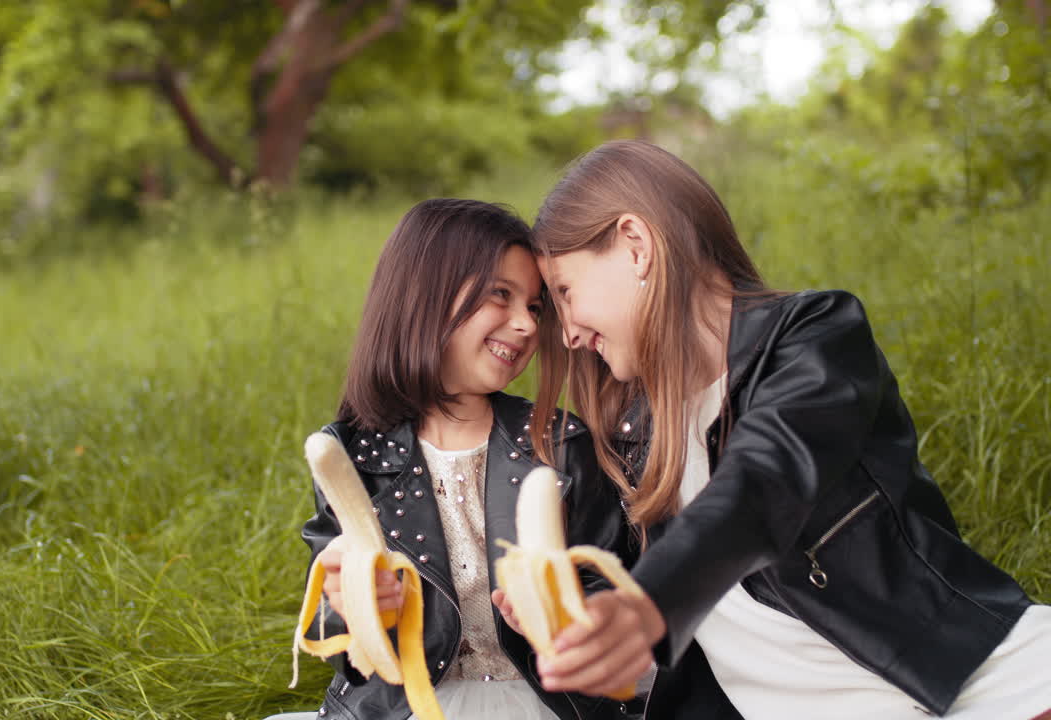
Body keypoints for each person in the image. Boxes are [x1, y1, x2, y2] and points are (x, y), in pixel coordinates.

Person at [526, 139, 1051, 719]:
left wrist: (649, 604)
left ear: (635, 245)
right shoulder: (636, 434)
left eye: (565, 293)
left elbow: (763, 484)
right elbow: (622, 575)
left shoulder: (814, 339)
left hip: (974, 691)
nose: (569, 334)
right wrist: (568, 611)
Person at [271, 198, 640, 720]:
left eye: (535, 308)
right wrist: (354, 608)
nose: (526, 325)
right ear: (423, 296)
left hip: (543, 703)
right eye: (500, 295)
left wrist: (564, 616)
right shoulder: (355, 455)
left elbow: (613, 583)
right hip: (407, 705)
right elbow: (337, 640)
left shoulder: (560, 445)